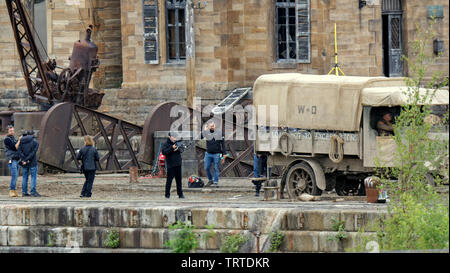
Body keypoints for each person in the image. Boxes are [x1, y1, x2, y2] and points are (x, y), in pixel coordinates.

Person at [202, 122, 227, 187]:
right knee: (206, 167)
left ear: (215, 126)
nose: (212, 127)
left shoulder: (219, 133)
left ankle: (215, 182)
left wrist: (224, 155)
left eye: (213, 126)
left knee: (216, 168)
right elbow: (200, 136)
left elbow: (223, 144)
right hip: (208, 153)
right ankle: (210, 180)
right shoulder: (206, 132)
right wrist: (204, 130)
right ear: (209, 126)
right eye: (210, 126)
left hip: (217, 154)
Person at [161, 132, 184, 199]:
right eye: (173, 137)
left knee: (179, 180)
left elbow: (182, 149)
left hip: (178, 164)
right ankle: (167, 195)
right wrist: (172, 148)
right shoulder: (166, 143)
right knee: (169, 181)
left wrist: (178, 149)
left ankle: (180, 194)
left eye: (175, 137)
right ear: (170, 137)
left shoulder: (177, 142)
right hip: (171, 165)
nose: (175, 138)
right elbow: (164, 152)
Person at [18, 130, 40, 197]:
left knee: (25, 177)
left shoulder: (21, 141)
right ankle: (33, 192)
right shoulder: (35, 142)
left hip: (24, 163)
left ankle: (24, 192)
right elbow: (33, 153)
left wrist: (24, 160)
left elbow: (19, 151)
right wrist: (27, 159)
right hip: (32, 162)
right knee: (33, 177)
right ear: (33, 134)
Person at [4, 125, 21, 197]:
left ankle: (14, 190)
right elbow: (15, 148)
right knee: (14, 175)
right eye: (11, 131)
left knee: (16, 175)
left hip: (16, 160)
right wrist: (20, 140)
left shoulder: (13, 138)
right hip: (12, 160)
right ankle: (11, 190)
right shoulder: (7, 139)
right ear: (7, 131)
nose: (12, 132)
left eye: (13, 130)